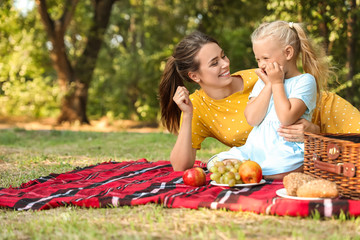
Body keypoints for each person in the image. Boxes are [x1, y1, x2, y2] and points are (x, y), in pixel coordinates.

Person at [158, 30, 360, 173]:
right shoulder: (198, 106)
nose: (226, 64)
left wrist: (314, 132)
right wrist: (188, 114)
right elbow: (180, 166)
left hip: (327, 115)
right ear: (194, 76)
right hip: (289, 154)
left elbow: (299, 92)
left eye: (223, 56)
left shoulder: (260, 76)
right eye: (214, 63)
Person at [208, 20, 331, 179]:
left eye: (266, 58)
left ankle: (256, 173)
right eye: (258, 60)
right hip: (255, 148)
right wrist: (268, 86)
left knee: (279, 166)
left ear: (288, 53)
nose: (262, 65)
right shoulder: (263, 82)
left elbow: (286, 118)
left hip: (285, 150)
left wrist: (277, 83)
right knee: (218, 161)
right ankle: (254, 172)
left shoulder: (305, 81)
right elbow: (252, 118)